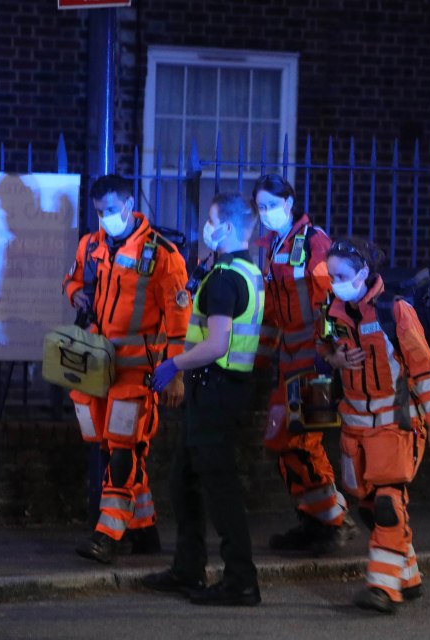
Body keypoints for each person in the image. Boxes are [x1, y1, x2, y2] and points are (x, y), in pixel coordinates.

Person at [142, 192, 264, 607]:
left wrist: (173, 364)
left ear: (226, 227)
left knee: (219, 488)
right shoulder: (246, 271)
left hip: (215, 388)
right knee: (183, 480)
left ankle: (241, 582)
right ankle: (187, 567)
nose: (205, 228)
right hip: (217, 391)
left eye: (211, 221)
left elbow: (216, 344)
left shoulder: (226, 280)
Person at [62, 174, 191, 564]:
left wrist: (176, 372)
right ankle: (144, 527)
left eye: (112, 211)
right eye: (100, 212)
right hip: (97, 363)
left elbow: (178, 317)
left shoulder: (162, 254)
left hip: (138, 369)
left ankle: (108, 533)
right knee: (110, 445)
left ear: (130, 203)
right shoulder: (92, 244)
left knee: (123, 450)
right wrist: (75, 293)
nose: (106, 218)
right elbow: (72, 280)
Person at [319, 237, 430, 613]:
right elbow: (322, 347)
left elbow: (424, 369)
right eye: (330, 274)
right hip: (354, 427)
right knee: (368, 506)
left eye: (341, 274)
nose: (334, 281)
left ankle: (382, 587)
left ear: (363, 273)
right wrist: (336, 358)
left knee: (389, 503)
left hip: (395, 424)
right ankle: (406, 577)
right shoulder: (333, 311)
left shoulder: (396, 311)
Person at [252, 173, 355, 555]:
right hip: (289, 362)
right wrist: (260, 361)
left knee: (302, 439)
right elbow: (272, 314)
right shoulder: (274, 246)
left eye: (271, 205)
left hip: (312, 360)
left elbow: (329, 300)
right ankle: (316, 517)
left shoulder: (314, 242)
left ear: (289, 204)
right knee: (284, 441)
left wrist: (326, 351)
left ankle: (331, 520)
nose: (266, 213)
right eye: (260, 207)